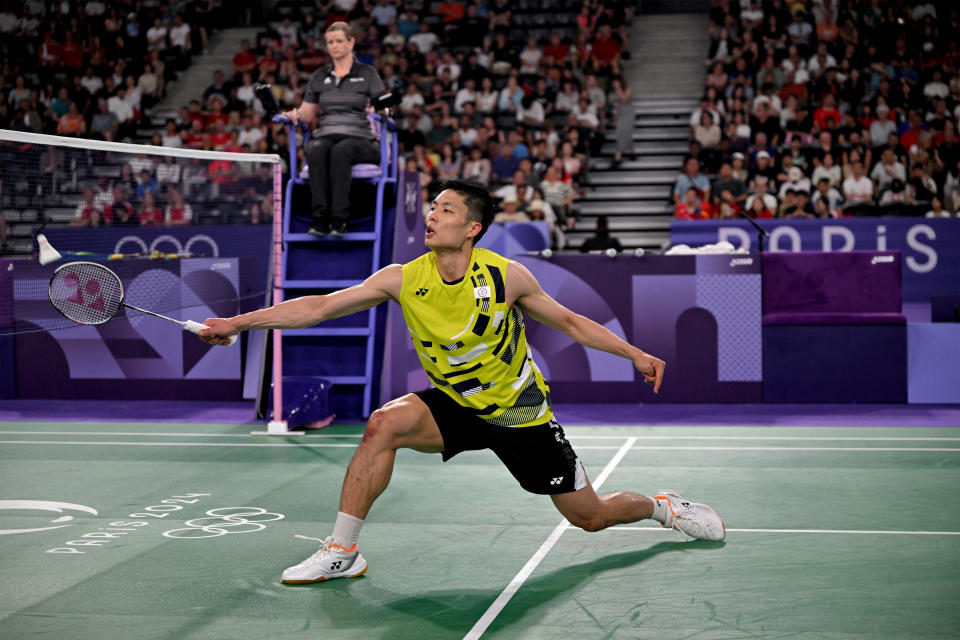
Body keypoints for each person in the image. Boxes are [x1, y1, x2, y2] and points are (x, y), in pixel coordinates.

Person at [198, 180, 724, 583]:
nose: (432, 215)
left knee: (591, 516)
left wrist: (634, 353)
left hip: (521, 415)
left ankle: (664, 508)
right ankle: (342, 551)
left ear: (472, 227)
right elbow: (319, 307)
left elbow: (569, 322)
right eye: (433, 207)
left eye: (446, 209)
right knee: (383, 425)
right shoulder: (404, 277)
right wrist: (238, 324)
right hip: (456, 405)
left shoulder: (505, 276)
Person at [281, 22, 386, 237]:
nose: (334, 46)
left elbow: (381, 104)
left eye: (339, 41)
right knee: (315, 148)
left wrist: (383, 110)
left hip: (362, 141)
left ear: (351, 42)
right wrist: (293, 115)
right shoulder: (320, 76)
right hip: (327, 135)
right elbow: (307, 113)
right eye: (330, 42)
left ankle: (339, 220)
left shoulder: (367, 73)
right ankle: (320, 220)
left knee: (342, 150)